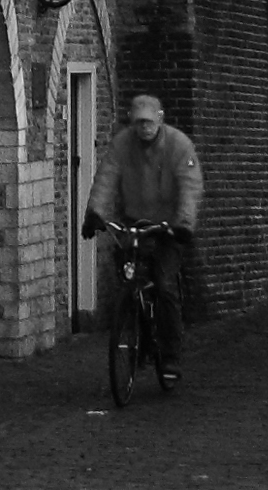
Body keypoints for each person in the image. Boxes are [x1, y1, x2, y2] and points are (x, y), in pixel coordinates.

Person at [87, 89, 203, 387]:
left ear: (160, 119)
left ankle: (170, 355)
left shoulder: (178, 145)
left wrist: (184, 224)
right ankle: (132, 323)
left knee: (165, 287)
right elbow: (107, 177)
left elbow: (189, 186)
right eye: (139, 123)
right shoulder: (122, 145)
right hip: (134, 222)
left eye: (149, 123)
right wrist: (95, 213)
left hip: (167, 226)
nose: (144, 128)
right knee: (126, 276)